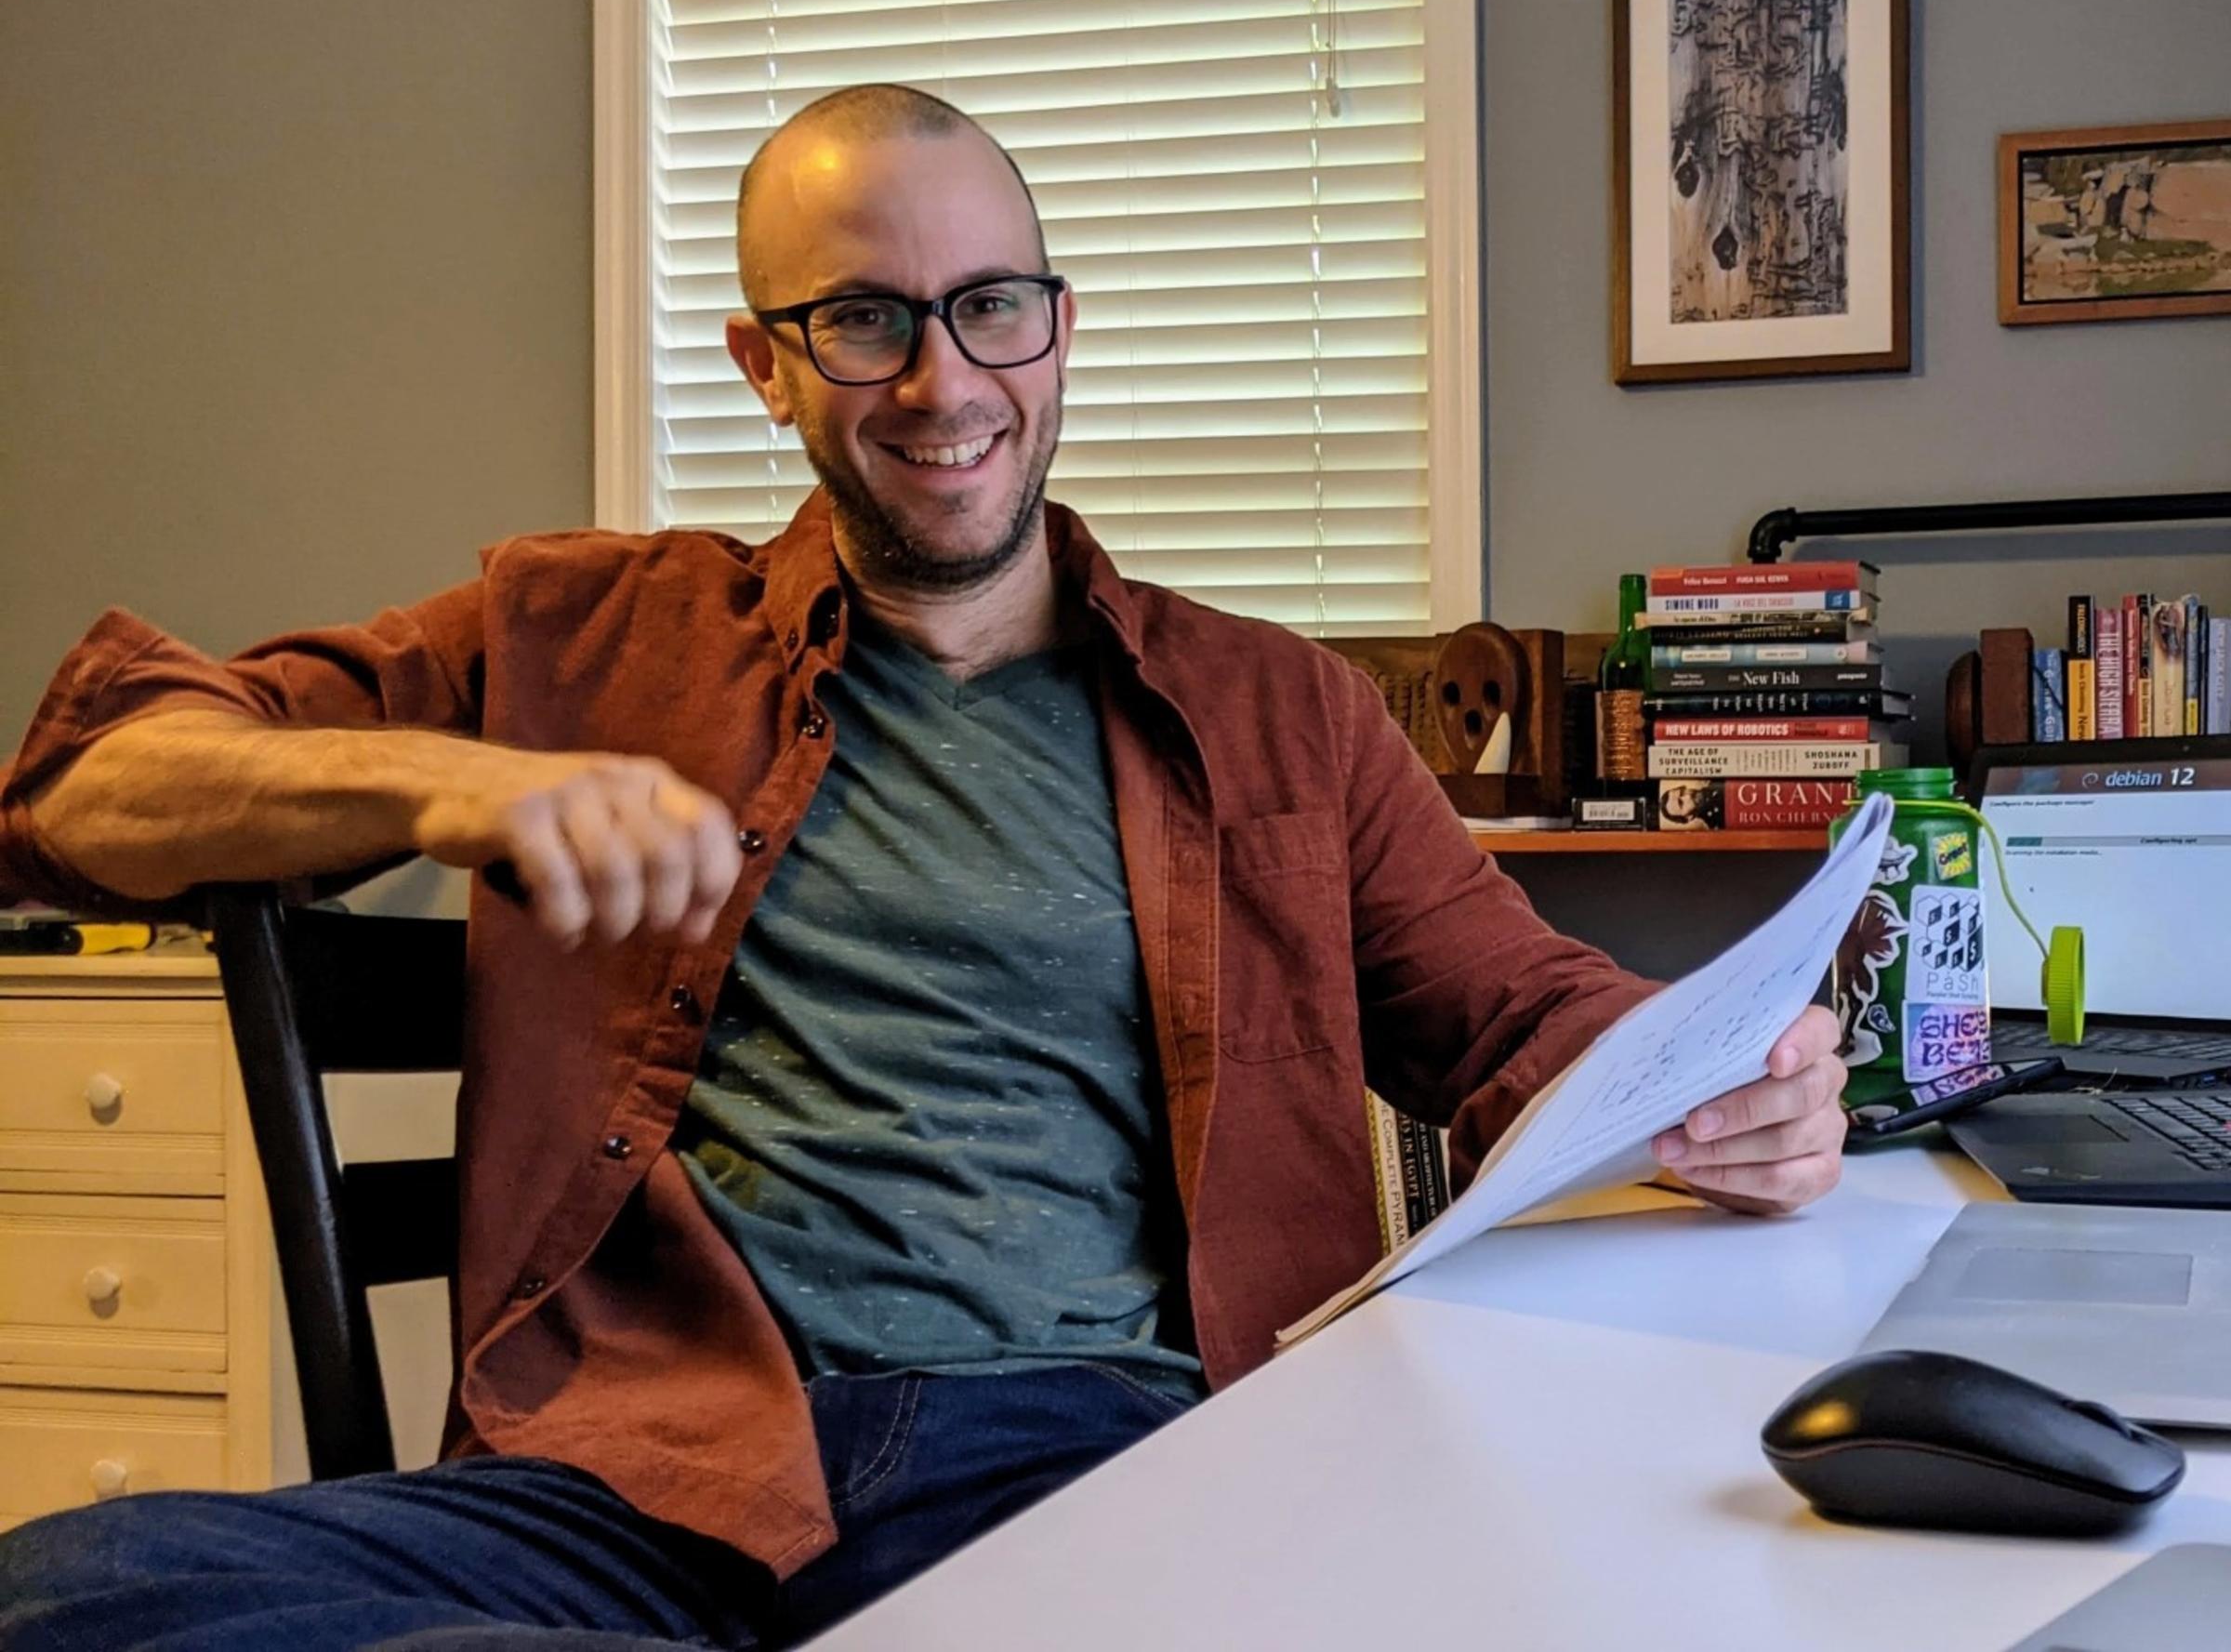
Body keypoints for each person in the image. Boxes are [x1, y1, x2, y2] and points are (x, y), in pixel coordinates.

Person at [0, 86, 1849, 1652]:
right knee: (83, 1584)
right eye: (866, 319)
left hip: (1106, 1467)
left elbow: (1539, 1018)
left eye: (990, 308)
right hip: (649, 1489)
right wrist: (447, 784)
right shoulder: (580, 631)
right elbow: (95, 777)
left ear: (1060, 326)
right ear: (766, 362)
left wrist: (1742, 1083)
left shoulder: (1283, 714)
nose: (942, 378)